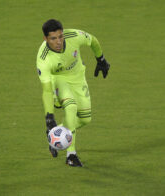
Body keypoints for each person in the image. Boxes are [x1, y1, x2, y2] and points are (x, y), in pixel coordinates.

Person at [36, 19, 110, 167]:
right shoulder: (43, 58)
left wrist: (100, 59)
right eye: (53, 38)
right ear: (45, 39)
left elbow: (92, 40)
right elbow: (46, 90)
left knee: (85, 119)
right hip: (58, 80)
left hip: (78, 79)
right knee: (71, 107)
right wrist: (49, 117)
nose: (58, 42)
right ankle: (71, 155)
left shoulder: (73, 36)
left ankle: (55, 137)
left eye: (60, 37)